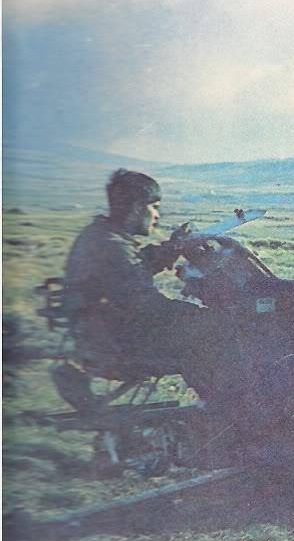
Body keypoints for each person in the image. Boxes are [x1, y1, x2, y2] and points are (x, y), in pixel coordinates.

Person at [63, 169, 248, 402]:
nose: (158, 215)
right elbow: (146, 306)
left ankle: (216, 401)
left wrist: (173, 247)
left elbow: (133, 267)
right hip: (122, 343)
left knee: (203, 323)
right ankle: (226, 406)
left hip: (102, 335)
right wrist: (196, 313)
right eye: (155, 207)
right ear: (137, 208)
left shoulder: (101, 235)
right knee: (219, 325)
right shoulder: (112, 246)